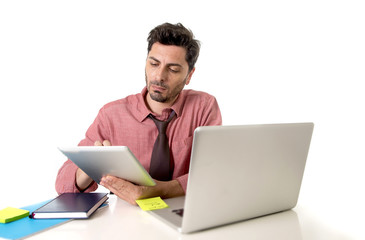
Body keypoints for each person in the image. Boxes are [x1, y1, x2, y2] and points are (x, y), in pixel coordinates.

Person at [55, 23, 222, 205]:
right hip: (127, 220)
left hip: (184, 212)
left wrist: (162, 190)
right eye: (154, 64)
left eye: (173, 69)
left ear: (189, 75)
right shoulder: (111, 114)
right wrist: (91, 165)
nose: (159, 76)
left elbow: (215, 172)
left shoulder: (203, 106)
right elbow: (63, 186)